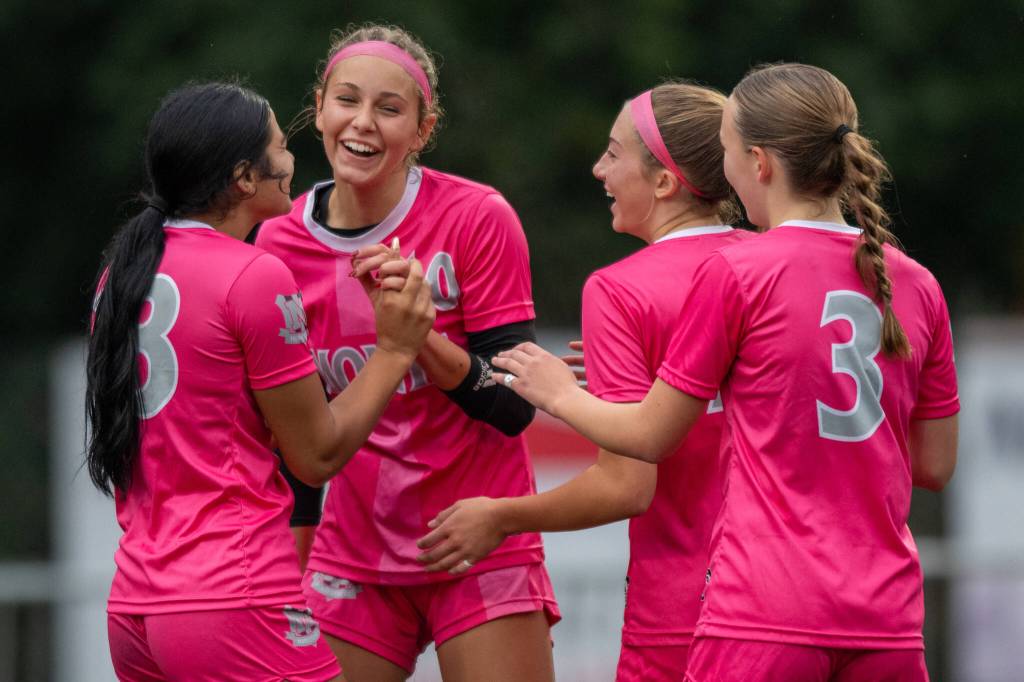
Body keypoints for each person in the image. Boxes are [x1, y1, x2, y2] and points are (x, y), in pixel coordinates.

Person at [492, 63, 959, 681]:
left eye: (728, 149)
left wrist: (557, 394)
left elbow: (651, 438)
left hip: (762, 608)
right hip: (887, 616)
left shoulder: (739, 272)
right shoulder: (917, 282)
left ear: (758, 164)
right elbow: (932, 465)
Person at [86, 81, 434, 681]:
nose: (292, 158)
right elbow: (317, 454)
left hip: (136, 610)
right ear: (246, 178)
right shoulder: (254, 272)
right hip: (234, 597)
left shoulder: (122, 272)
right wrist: (396, 350)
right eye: (280, 145)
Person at [415, 81, 752, 680]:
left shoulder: (621, 289)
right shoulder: (769, 262)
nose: (599, 168)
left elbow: (626, 487)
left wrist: (501, 516)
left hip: (686, 611)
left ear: (665, 182)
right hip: (789, 603)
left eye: (615, 153)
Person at [255, 24, 558, 682]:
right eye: (347, 101)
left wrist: (419, 341)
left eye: (389, 109)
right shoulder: (275, 246)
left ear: (422, 130)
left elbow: (512, 408)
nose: (362, 123)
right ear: (320, 106)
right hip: (352, 552)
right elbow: (297, 450)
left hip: (476, 541)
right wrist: (285, 576)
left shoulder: (476, 216)